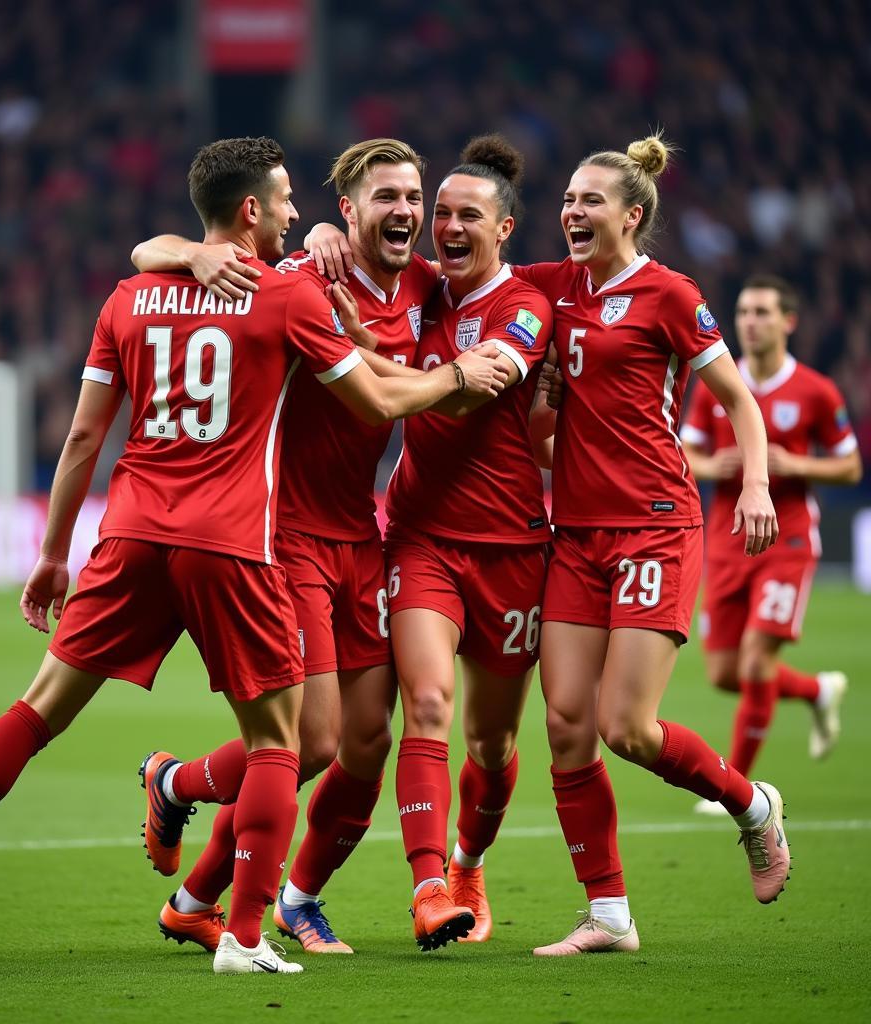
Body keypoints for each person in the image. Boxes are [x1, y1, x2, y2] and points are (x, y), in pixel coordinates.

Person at [0, 136, 507, 976]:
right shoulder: (290, 294)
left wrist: (53, 553)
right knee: (289, 743)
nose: (296, 214)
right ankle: (243, 934)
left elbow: (79, 442)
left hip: (138, 530)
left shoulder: (131, 295)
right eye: (285, 201)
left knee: (37, 711)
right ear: (257, 210)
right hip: (242, 540)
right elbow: (380, 395)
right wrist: (462, 374)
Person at [129, 138, 442, 955]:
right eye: (385, 197)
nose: (404, 211)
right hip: (287, 534)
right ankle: (203, 830)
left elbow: (500, 289)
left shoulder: (430, 288)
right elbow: (153, 251)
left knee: (366, 740)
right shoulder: (300, 276)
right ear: (348, 211)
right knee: (311, 742)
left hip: (361, 536)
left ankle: (202, 881)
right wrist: (195, 251)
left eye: (414, 196)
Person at [514, 134, 788, 957]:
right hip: (577, 536)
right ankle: (608, 917)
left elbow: (739, 399)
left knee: (624, 728)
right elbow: (464, 274)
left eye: (590, 200)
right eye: (567, 199)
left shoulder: (670, 295)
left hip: (655, 527)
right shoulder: (553, 288)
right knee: (565, 725)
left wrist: (755, 484)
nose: (571, 211)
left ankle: (752, 806)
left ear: (632, 215)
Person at [347, 135, 555, 950]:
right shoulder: (421, 288)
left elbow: (470, 398)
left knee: (493, 745)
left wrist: (379, 382)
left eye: (470, 215)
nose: (448, 226)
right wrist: (330, 238)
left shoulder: (528, 303)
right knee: (427, 706)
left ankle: (470, 862)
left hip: (511, 550)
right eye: (442, 213)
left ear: (504, 230)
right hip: (421, 537)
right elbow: (356, 254)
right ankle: (431, 887)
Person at [681, 275, 861, 810]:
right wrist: (716, 465)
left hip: (788, 541)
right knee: (724, 674)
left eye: (762, 312)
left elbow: (850, 466)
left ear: (788, 321)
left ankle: (734, 788)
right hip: (726, 542)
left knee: (757, 663)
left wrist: (797, 464)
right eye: (743, 312)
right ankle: (816, 690)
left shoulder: (815, 391)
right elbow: (684, 453)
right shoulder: (717, 382)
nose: (749, 322)